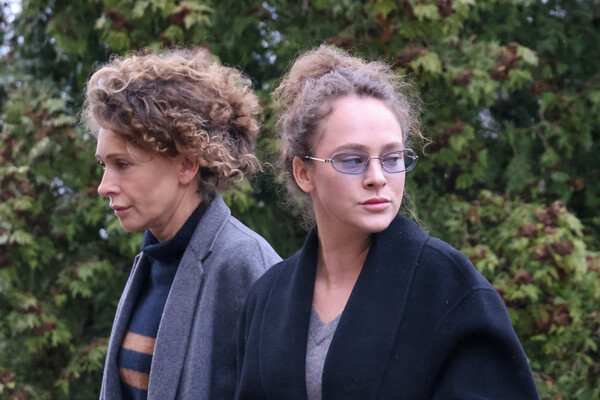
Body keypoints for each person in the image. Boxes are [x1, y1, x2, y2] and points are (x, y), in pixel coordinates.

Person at [235, 45, 539, 400]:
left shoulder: (450, 288)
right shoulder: (268, 297)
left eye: (392, 158)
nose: (378, 178)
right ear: (304, 173)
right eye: (353, 160)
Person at [82, 47, 281, 400]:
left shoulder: (245, 263)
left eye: (123, 164)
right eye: (103, 165)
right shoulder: (154, 260)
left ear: (187, 165)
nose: (104, 186)